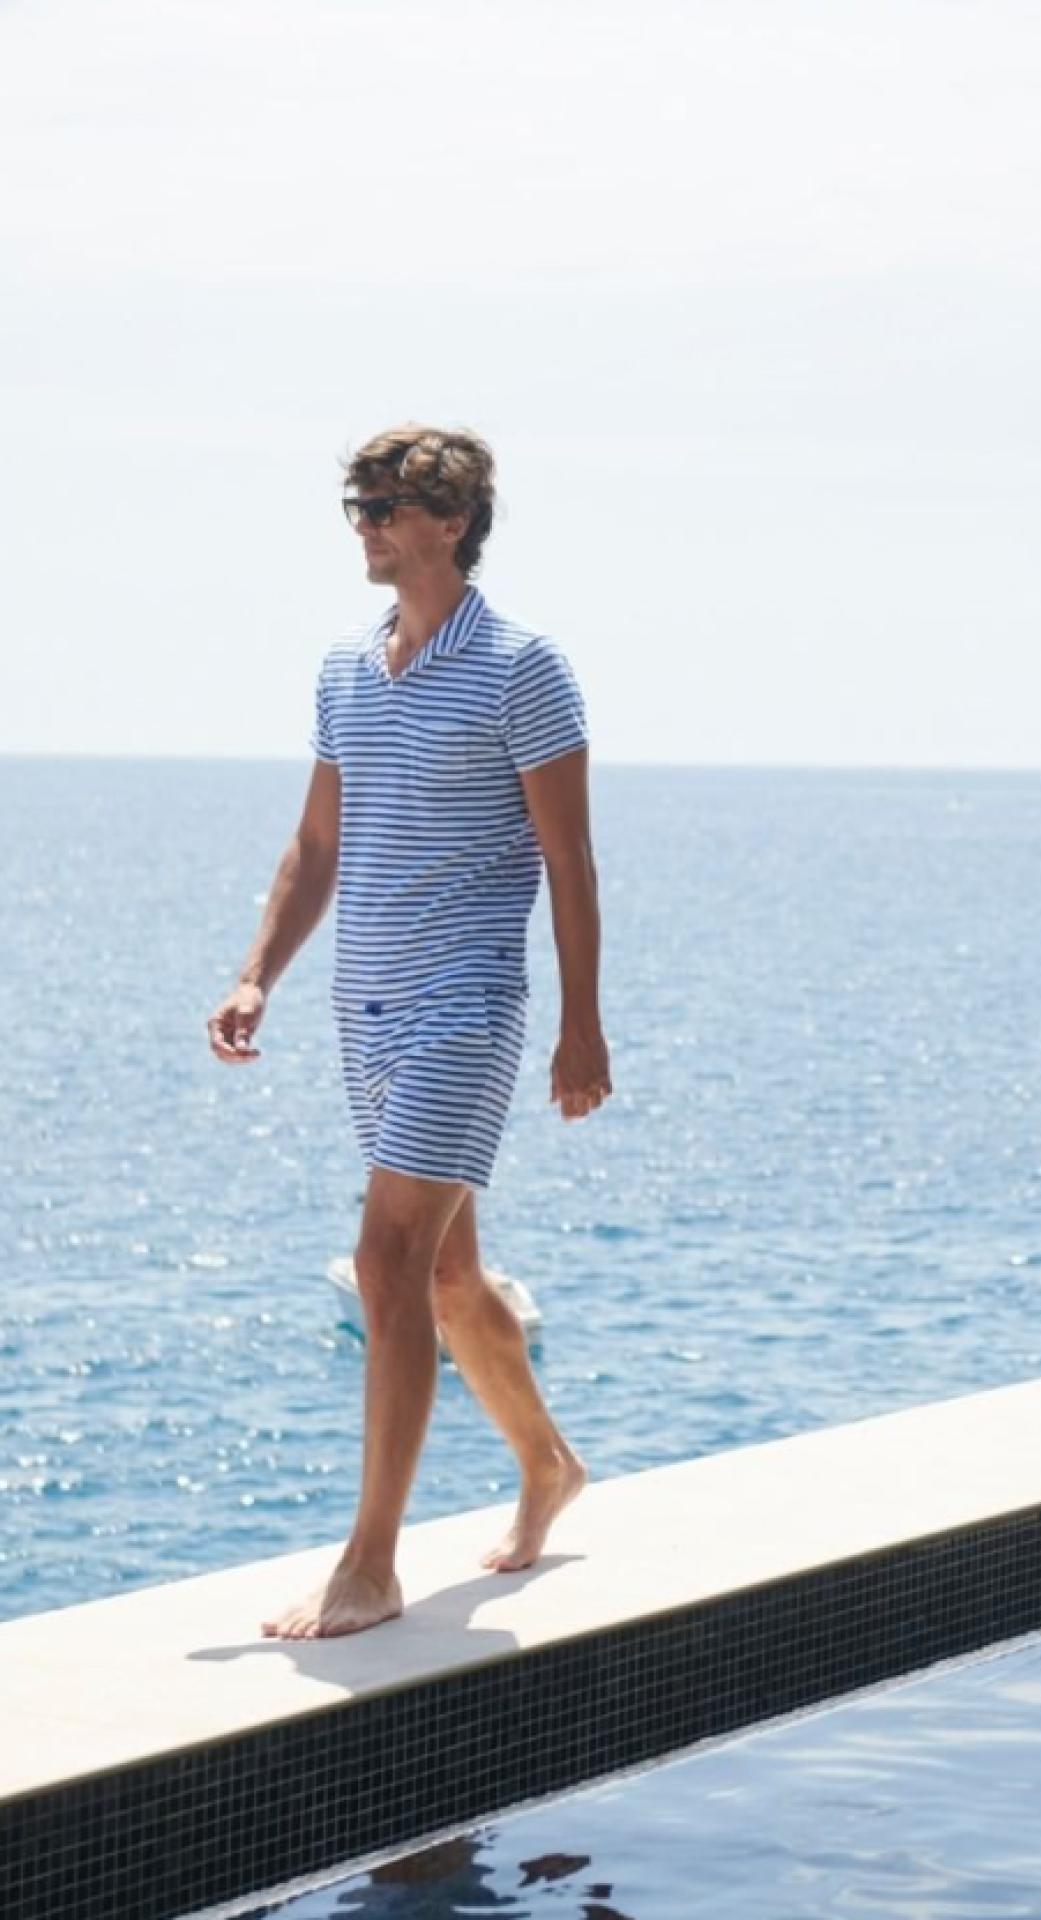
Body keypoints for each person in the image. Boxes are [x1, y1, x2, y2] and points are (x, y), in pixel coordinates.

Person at [207, 423, 609, 1640]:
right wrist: (257, 975)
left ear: (453, 522)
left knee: (383, 1266)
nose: (367, 527)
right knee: (444, 1274)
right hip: (365, 1012)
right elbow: (317, 842)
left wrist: (580, 1028)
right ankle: (547, 1466)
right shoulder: (346, 668)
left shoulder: (524, 668)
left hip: (464, 1012)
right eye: (359, 506)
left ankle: (371, 1564)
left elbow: (569, 861)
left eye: (386, 507)